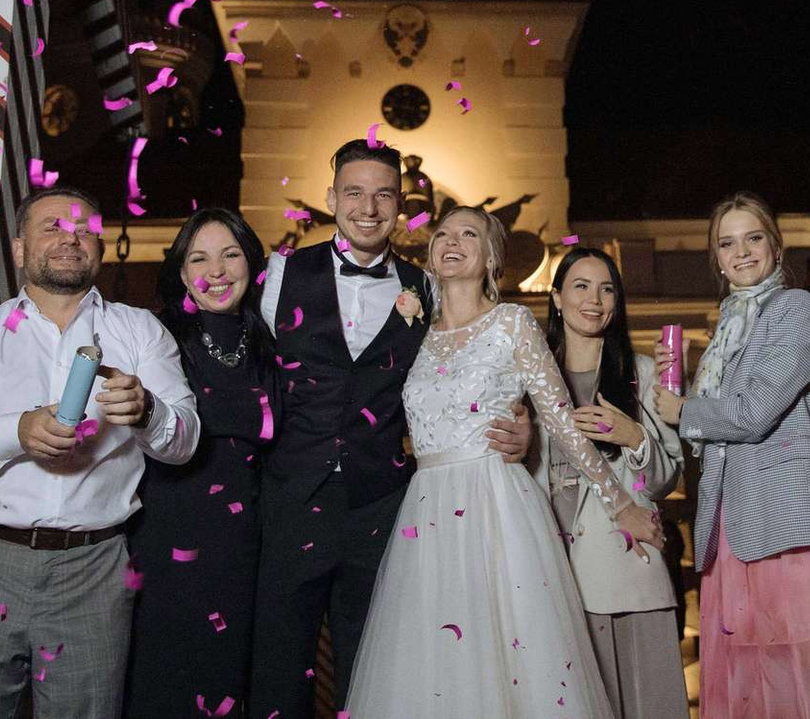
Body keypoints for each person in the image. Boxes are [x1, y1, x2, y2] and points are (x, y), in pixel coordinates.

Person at [0, 206, 276, 714]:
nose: (217, 270)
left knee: (227, 680)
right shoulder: (153, 333)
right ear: (181, 273)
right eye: (199, 258)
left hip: (239, 541)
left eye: (231, 255)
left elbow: (280, 446)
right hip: (155, 538)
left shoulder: (265, 343)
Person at [344, 207, 667, 718]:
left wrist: (620, 503)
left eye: (468, 234)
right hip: (427, 513)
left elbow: (560, 419)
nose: (451, 241)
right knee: (434, 663)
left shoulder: (512, 322)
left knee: (510, 655)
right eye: (443, 234)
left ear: (492, 257)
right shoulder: (413, 334)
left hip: (494, 505)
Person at [249, 140, 531, 719]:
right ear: (332, 198)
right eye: (354, 193)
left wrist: (521, 425)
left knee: (376, 672)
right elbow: (250, 374)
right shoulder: (280, 274)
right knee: (279, 670)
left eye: (383, 195)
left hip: (381, 505)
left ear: (400, 205)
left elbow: (468, 368)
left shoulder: (425, 286)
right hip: (291, 499)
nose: (368, 207)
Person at [0, 186, 199, 718]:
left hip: (94, 568)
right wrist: (15, 431)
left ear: (99, 248)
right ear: (19, 250)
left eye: (84, 230)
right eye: (52, 228)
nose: (70, 238)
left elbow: (186, 441)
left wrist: (148, 410)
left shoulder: (140, 331)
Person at [652, 192, 810, 719]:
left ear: (775, 246)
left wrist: (685, 409)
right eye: (727, 243)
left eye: (753, 238)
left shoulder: (793, 308)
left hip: (787, 516)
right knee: (758, 681)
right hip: (732, 522)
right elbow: (715, 429)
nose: (741, 252)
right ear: (716, 257)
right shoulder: (731, 323)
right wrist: (680, 389)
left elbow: (754, 412)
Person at [538, 246, 690, 719]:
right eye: (580, 286)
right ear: (557, 297)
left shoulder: (641, 374)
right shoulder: (531, 378)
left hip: (624, 571)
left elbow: (666, 478)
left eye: (606, 289)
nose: (594, 299)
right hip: (549, 574)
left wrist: (635, 437)